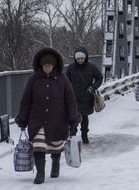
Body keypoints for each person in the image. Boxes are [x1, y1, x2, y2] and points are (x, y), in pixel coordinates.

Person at [16, 47, 81, 184]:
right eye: (45, 66)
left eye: (50, 65)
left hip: (57, 120)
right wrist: (22, 119)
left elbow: (70, 101)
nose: (47, 68)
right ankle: (40, 173)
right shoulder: (33, 80)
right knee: (38, 146)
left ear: (54, 65)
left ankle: (55, 165)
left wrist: (73, 120)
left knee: (56, 145)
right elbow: (26, 101)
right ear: (41, 66)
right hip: (37, 120)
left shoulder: (62, 80)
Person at [66, 47, 103, 145]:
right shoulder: (71, 68)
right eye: (78, 59)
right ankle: (72, 135)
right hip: (73, 97)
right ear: (75, 58)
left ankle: (84, 136)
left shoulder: (92, 67)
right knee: (74, 117)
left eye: (82, 58)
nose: (80, 60)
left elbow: (99, 78)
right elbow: (66, 81)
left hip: (86, 96)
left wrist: (93, 87)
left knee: (84, 117)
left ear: (85, 57)